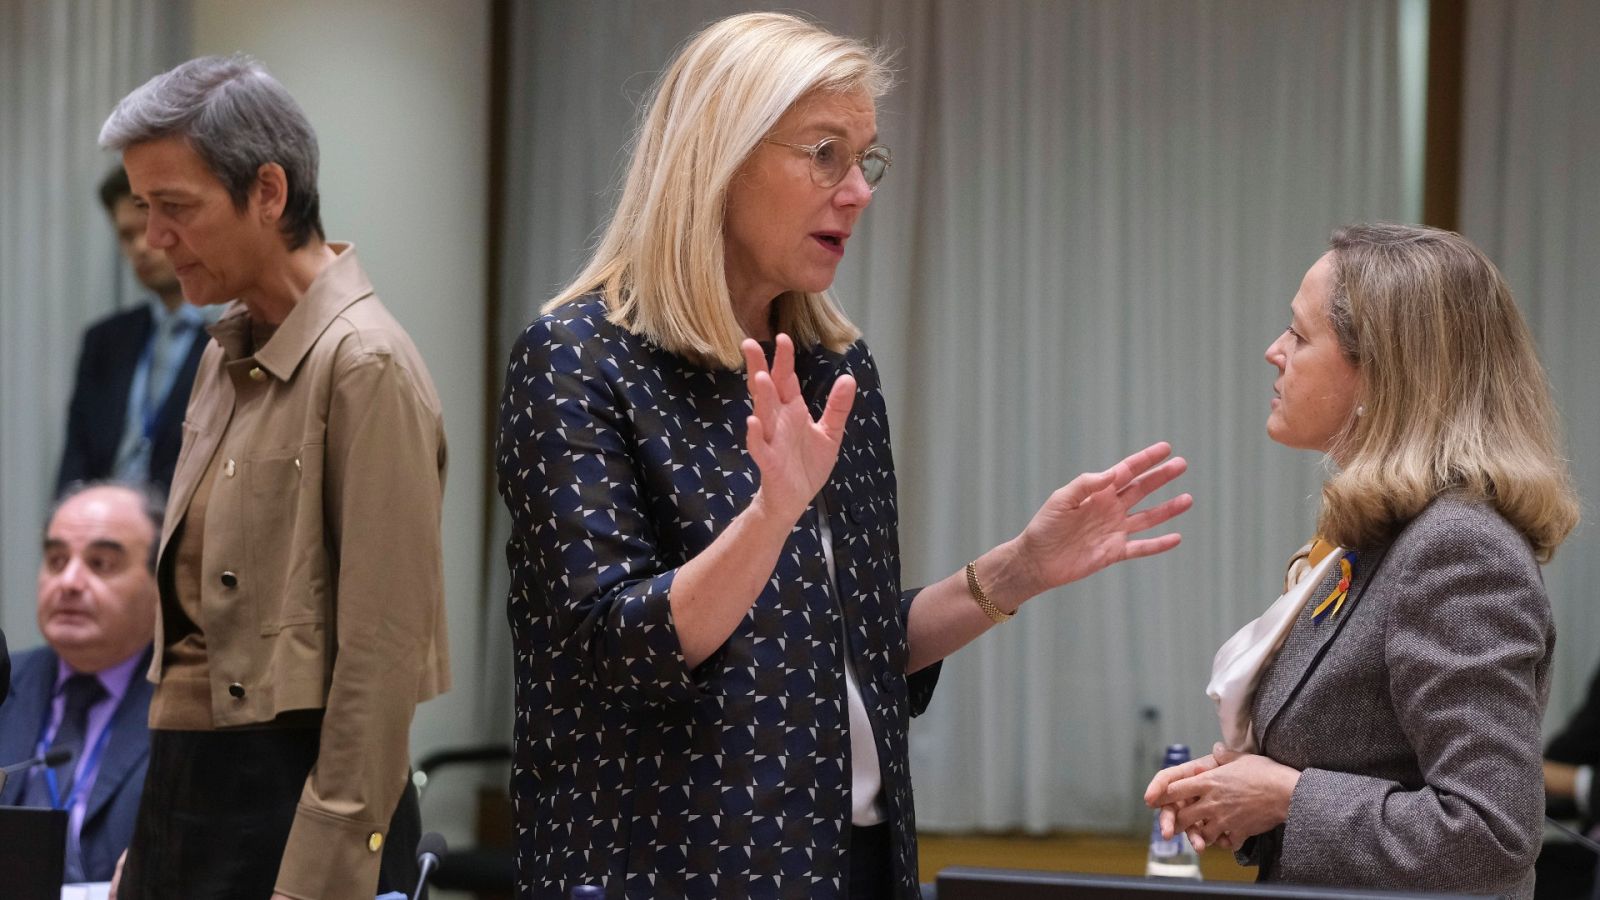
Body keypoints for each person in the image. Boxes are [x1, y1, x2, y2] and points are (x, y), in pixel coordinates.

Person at [497, 13, 1192, 900]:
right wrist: (770, 516)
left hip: (853, 858)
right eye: (825, 152)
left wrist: (1020, 569)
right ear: (721, 154)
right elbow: (622, 652)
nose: (858, 189)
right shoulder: (578, 358)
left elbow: (848, 645)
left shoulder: (836, 367)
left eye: (866, 159)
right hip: (670, 864)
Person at [97, 55, 450, 900]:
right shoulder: (225, 350)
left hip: (296, 817)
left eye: (175, 208)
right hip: (193, 801)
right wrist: (147, 849)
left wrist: (322, 879)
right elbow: (191, 648)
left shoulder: (366, 366)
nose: (154, 239)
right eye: (145, 210)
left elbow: (379, 661)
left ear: (268, 191)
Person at [1144, 223, 1579, 899]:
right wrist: (1242, 797)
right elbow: (1370, 771)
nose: (1273, 352)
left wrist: (1289, 797)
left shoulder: (1457, 550)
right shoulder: (1386, 536)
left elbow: (1489, 838)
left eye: (1298, 334)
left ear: (1382, 370)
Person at [0, 482, 160, 883]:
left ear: (162, 585)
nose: (69, 582)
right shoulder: (7, 684)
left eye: (101, 563)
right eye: (55, 560)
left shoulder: (192, 708)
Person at [57, 168, 208, 496]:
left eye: (148, 231)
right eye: (127, 235)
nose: (141, 246)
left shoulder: (235, 335)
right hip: (100, 529)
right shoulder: (105, 340)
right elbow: (76, 455)